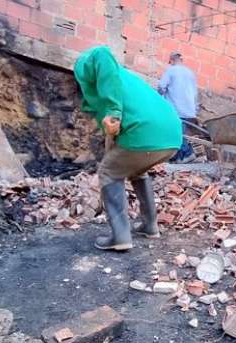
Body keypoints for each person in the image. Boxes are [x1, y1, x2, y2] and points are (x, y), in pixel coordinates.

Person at [74, 46, 181, 251]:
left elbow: (101, 54)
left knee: (108, 172)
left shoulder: (90, 67)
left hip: (145, 132)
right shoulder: (121, 83)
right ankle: (150, 226)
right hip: (171, 134)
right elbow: (113, 136)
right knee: (136, 170)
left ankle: (120, 236)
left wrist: (113, 111)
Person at [158, 52, 198, 164]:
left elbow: (161, 87)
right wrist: (195, 109)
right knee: (180, 132)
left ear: (171, 60)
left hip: (175, 108)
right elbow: (195, 93)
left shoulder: (171, 70)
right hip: (189, 109)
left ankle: (188, 153)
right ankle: (179, 157)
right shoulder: (190, 73)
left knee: (174, 132)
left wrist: (158, 100)